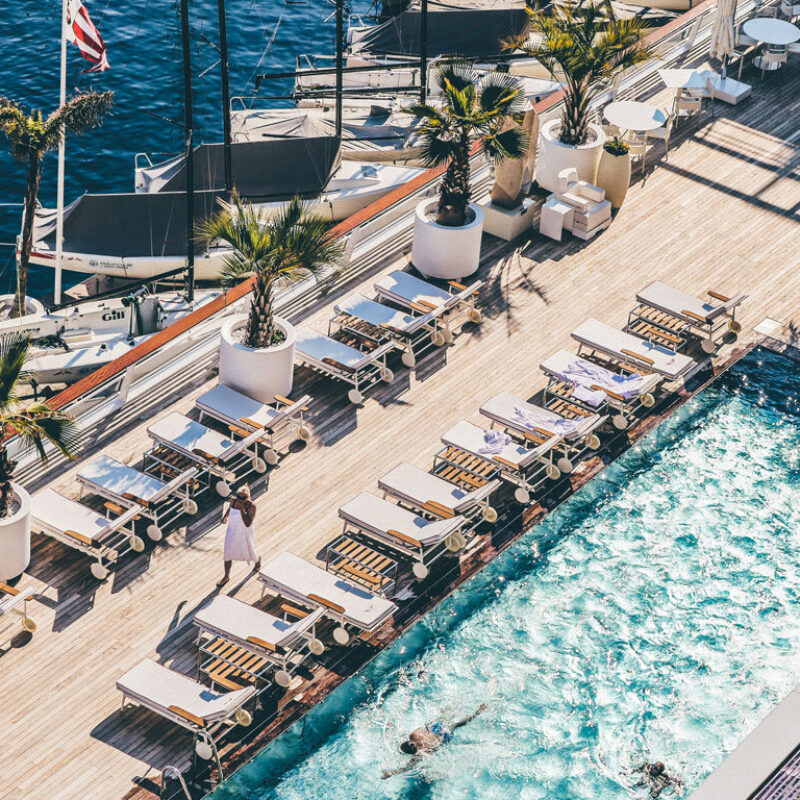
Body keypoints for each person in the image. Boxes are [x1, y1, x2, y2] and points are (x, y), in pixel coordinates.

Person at [381, 704, 487, 779]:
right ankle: (477, 712)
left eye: (412, 744)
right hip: (442, 735)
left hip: (434, 729)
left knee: (448, 715)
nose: (415, 745)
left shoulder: (414, 737)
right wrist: (391, 773)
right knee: (457, 724)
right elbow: (407, 767)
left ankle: (457, 706)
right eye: (414, 747)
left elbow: (423, 729)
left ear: (410, 741)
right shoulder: (420, 752)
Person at [217, 485, 260, 587]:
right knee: (228, 552)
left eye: (243, 498)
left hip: (245, 531)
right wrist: (225, 517)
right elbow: (230, 509)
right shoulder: (233, 501)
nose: (240, 500)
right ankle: (226, 576)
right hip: (232, 529)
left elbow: (248, 523)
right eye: (238, 497)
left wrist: (241, 509)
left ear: (248, 497)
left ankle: (258, 561)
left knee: (248, 550)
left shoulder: (252, 506)